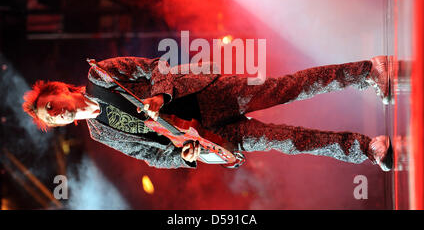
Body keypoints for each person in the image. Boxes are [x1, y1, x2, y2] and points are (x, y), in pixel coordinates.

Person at [22, 55, 395, 171]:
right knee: (288, 141)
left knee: (287, 87)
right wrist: (185, 156)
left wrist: (158, 95)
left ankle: (368, 71)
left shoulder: (100, 74)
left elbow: (158, 66)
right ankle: (367, 149)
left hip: (210, 95)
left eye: (50, 104)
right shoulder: (101, 134)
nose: (53, 113)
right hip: (204, 137)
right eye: (48, 117)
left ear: (61, 90)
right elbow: (152, 156)